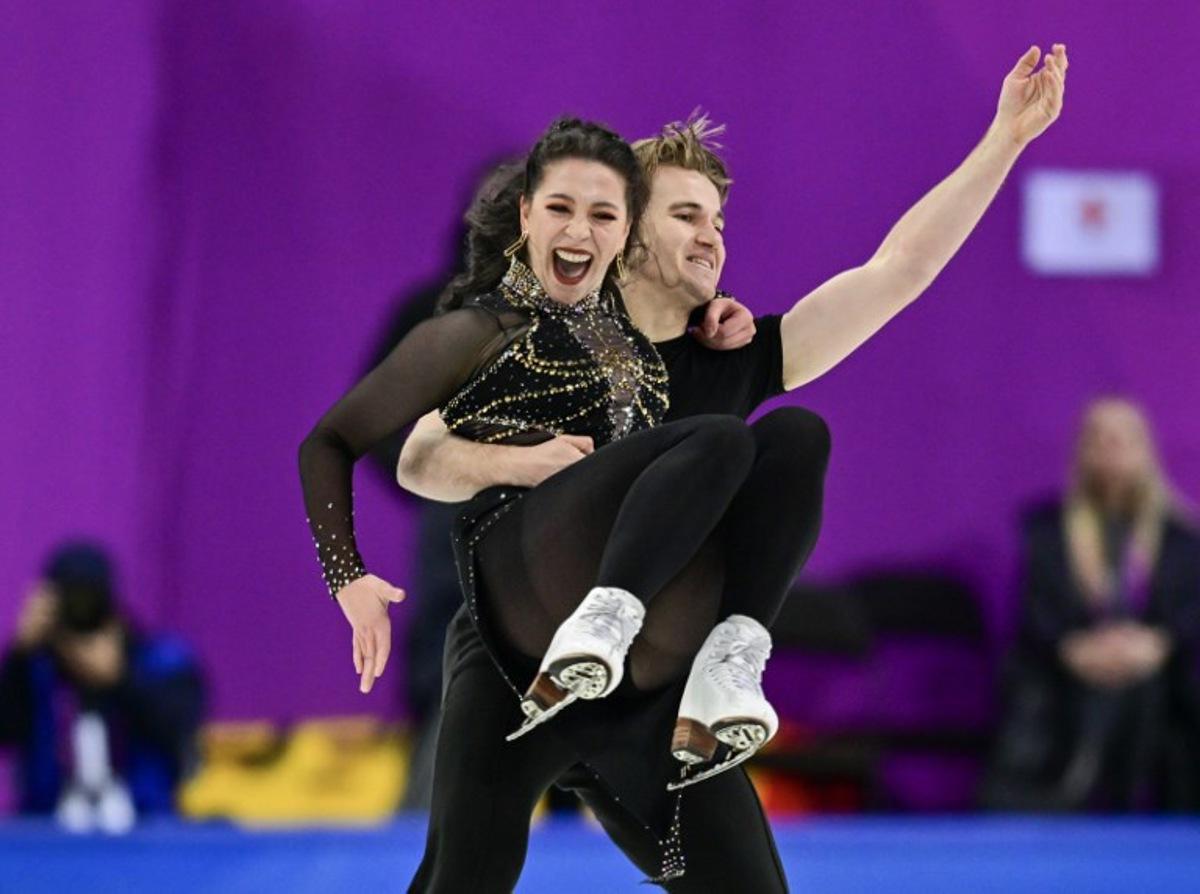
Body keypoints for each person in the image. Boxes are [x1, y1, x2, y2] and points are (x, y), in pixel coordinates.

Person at [302, 43, 1068, 891]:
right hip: (518, 652)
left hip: (649, 689)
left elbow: (899, 270)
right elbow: (418, 458)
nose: (711, 236)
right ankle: (606, 619)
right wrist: (520, 464)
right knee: (463, 880)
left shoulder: (735, 356)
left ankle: (728, 658)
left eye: (719, 221)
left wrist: (1003, 141)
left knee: (787, 435)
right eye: (685, 216)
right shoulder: (542, 331)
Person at [984, 398, 1200, 812]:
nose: (1111, 447)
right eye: (1099, 436)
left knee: (1147, 688)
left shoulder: (1182, 539)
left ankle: (1139, 797)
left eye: (1122, 437)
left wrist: (1156, 645)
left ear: (1146, 448)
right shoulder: (1045, 531)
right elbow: (1035, 613)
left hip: (1158, 673)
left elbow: (1189, 617)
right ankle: (1070, 786)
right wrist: (1074, 649)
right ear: (1080, 448)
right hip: (1068, 670)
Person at [0, 542, 205, 830]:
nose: (79, 609)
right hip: (45, 833)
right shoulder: (35, 668)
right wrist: (18, 656)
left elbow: (182, 732)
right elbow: (6, 731)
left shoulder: (159, 660)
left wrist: (121, 681)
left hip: (146, 831)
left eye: (89, 597)